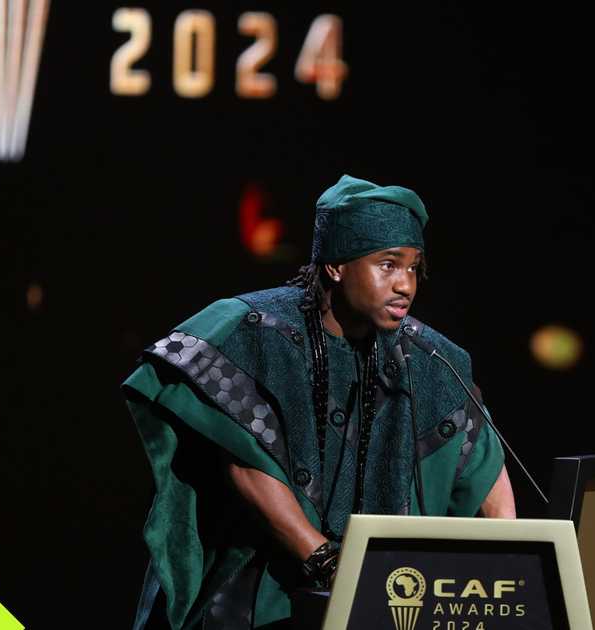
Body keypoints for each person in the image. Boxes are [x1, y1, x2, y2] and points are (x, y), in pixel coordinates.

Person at [122, 174, 515, 630]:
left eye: (413, 268)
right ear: (335, 266)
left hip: (390, 603)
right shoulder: (256, 330)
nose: (405, 284)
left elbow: (488, 480)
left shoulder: (430, 358)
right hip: (257, 600)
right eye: (388, 264)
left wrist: (509, 569)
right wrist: (328, 562)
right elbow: (245, 459)